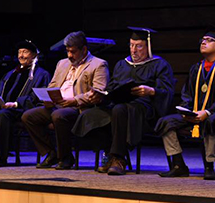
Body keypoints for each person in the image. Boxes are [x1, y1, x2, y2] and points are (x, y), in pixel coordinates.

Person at [72, 27, 174, 175]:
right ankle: (109, 151)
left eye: (139, 46)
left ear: (148, 47)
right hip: (118, 105)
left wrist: (151, 91)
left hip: (143, 109)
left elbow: (167, 92)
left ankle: (119, 159)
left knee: (119, 110)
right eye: (131, 45)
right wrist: (102, 95)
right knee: (89, 116)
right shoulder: (122, 64)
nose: (134, 50)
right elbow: (112, 87)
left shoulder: (159, 65)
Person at [155, 25, 215, 180]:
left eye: (209, 40)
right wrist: (187, 111)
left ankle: (209, 166)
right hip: (195, 113)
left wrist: (207, 112)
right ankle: (178, 164)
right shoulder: (196, 68)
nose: (204, 42)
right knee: (166, 122)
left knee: (212, 121)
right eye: (203, 40)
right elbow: (187, 94)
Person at [21, 31, 109, 170]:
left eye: (73, 52)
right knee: (28, 116)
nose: (69, 55)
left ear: (84, 49)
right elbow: (53, 85)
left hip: (78, 109)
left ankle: (66, 157)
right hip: (56, 105)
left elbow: (98, 93)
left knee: (59, 116)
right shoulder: (62, 63)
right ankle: (51, 153)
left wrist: (74, 101)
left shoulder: (98, 64)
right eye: (67, 51)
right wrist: (48, 97)